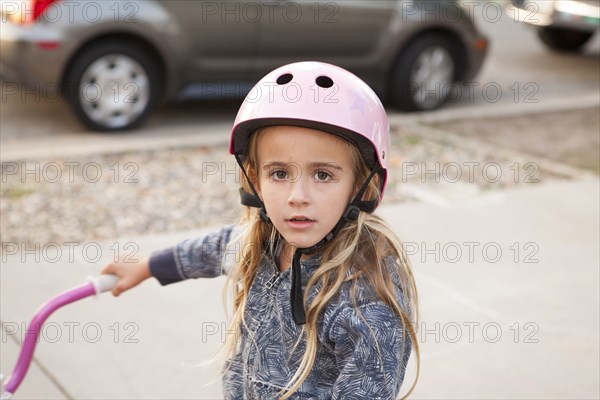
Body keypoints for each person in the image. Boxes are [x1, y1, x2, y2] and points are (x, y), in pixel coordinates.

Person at [101, 61, 420, 399]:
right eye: (279, 173)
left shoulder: (366, 304)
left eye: (323, 175)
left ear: (362, 185)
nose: (298, 197)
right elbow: (216, 247)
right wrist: (151, 265)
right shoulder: (263, 241)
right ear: (255, 180)